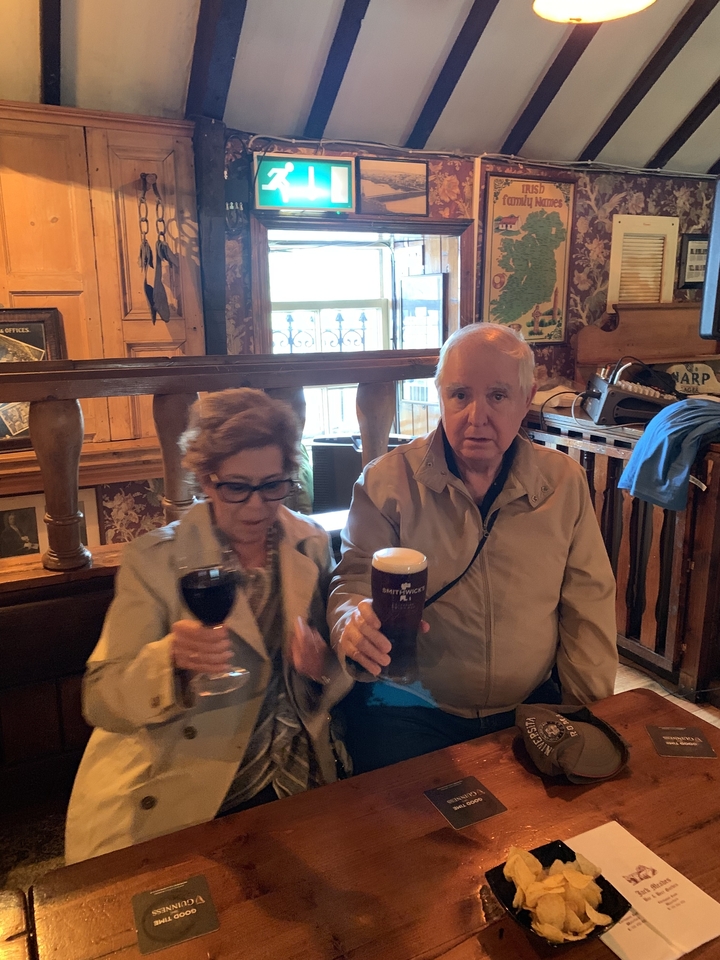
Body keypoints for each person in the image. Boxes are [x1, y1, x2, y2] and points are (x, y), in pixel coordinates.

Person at [66, 388, 351, 863]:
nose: (258, 507)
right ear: (205, 479)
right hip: (193, 785)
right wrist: (168, 663)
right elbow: (99, 698)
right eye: (237, 487)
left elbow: (328, 674)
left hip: (294, 774)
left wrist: (321, 665)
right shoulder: (154, 560)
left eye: (274, 485)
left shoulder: (311, 545)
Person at [327, 323, 617, 774]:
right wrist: (349, 621)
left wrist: (587, 711)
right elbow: (352, 581)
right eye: (460, 394)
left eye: (498, 395)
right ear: (439, 395)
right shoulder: (384, 483)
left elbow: (588, 607)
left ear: (527, 398)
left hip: (531, 706)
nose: (476, 415)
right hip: (409, 711)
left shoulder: (563, 484)